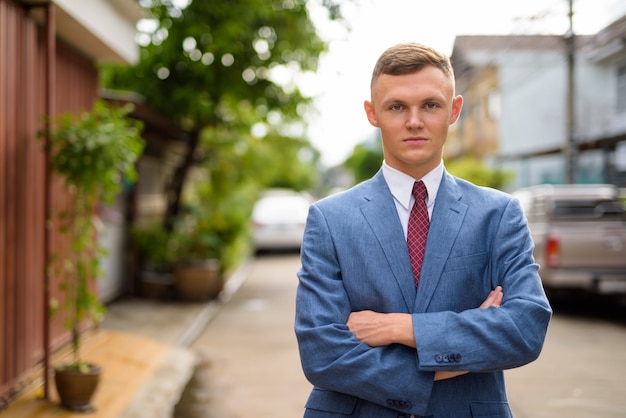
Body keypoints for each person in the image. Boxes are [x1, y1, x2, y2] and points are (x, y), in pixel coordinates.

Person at [294, 42, 552, 418]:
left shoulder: (499, 214)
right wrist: (458, 356)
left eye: (430, 105)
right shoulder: (329, 219)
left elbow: (524, 330)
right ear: (372, 113)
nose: (414, 121)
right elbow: (322, 352)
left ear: (454, 110)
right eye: (397, 106)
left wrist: (401, 327)